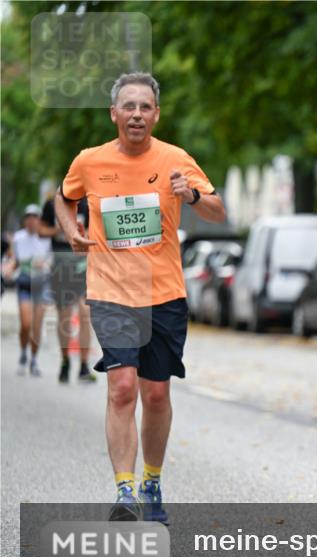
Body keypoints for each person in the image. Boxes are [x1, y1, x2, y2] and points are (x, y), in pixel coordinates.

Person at [54, 72, 226, 522]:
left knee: (155, 394)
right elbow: (63, 198)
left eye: (144, 107)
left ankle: (151, 481)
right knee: (122, 387)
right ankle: (125, 491)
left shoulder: (175, 158)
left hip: (164, 294)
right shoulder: (89, 161)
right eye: (128, 106)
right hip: (110, 291)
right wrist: (72, 231)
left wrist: (189, 194)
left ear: (156, 114)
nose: (136, 114)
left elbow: (217, 207)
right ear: (114, 114)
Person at [38, 196, 98, 383]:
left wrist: (80, 233)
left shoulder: (89, 203)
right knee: (64, 316)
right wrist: (60, 228)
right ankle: (65, 362)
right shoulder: (53, 204)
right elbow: (41, 230)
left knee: (85, 313)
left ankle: (84, 365)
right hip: (61, 263)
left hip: (82, 262)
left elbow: (95, 232)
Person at [12, 204, 52, 377]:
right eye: (28, 217)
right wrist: (8, 267)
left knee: (36, 326)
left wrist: (46, 264)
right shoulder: (18, 238)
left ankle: (34, 360)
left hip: (41, 285)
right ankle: (23, 352)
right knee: (26, 323)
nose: (31, 220)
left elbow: (53, 262)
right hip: (24, 284)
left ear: (39, 220)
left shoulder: (46, 238)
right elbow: (14, 261)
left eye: (35, 217)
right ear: (24, 220)